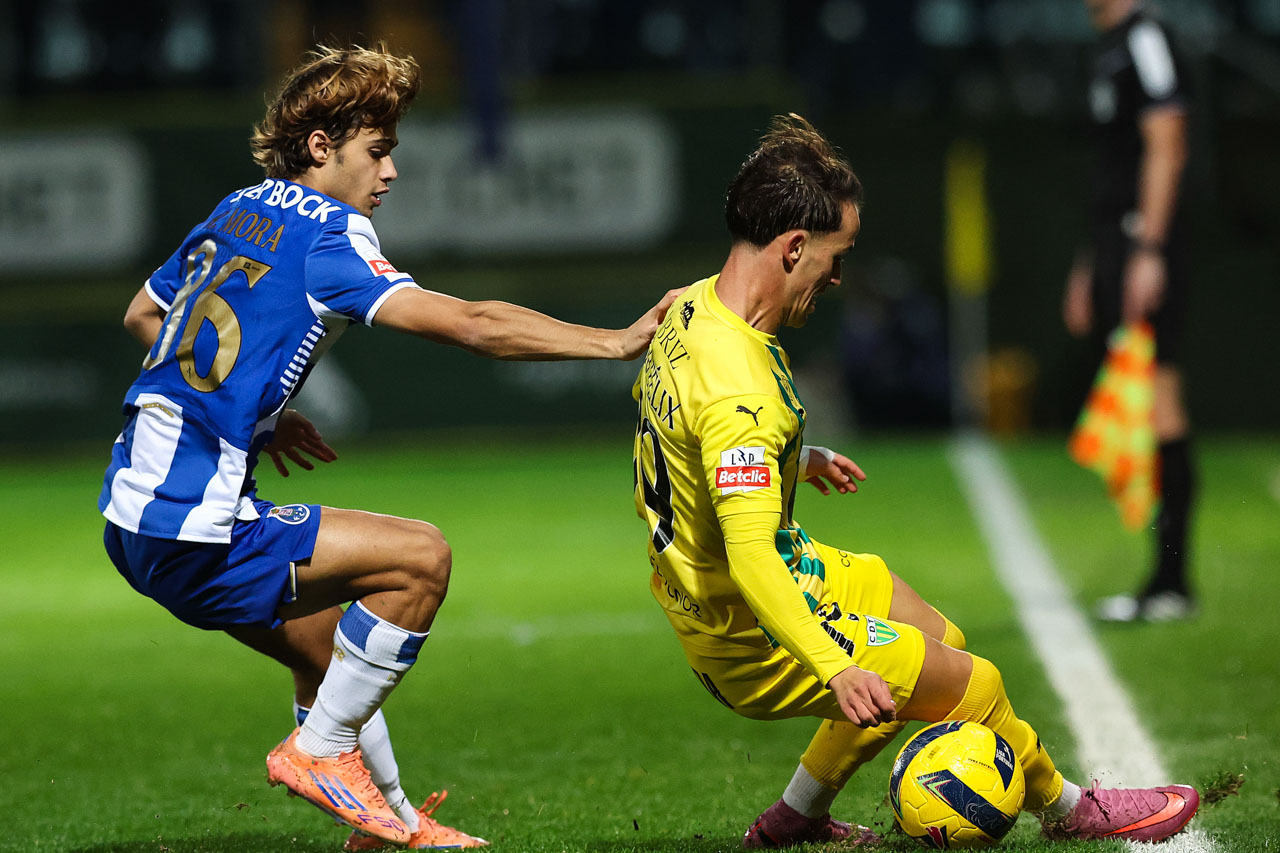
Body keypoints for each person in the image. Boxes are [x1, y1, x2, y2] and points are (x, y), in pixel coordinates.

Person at [99, 43, 678, 851]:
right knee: (419, 559)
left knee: (325, 651)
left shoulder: (237, 209)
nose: (391, 171)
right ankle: (318, 752)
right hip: (197, 522)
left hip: (131, 513)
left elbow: (143, 315)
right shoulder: (331, 236)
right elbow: (472, 323)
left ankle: (393, 825)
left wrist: (256, 407)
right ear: (320, 147)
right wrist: (614, 342)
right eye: (378, 150)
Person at [630, 113, 1199, 848]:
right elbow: (750, 554)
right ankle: (1072, 811)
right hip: (748, 628)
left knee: (940, 640)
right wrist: (835, 667)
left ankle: (795, 818)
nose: (838, 278)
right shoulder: (742, 386)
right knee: (975, 683)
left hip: (731, 586)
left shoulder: (692, 307)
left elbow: (688, 435)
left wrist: (794, 458)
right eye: (836, 257)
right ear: (793, 246)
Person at [1063, 0, 1197, 622]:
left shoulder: (1146, 37)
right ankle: (1163, 581)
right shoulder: (1111, 45)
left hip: (1145, 241)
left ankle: (1172, 583)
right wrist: (1092, 264)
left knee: (1160, 399)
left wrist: (1149, 249)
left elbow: (1168, 140)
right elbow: (1113, 168)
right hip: (1117, 243)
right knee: (1141, 407)